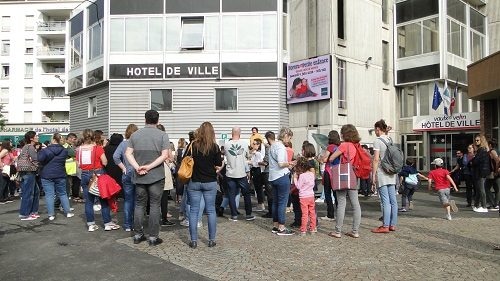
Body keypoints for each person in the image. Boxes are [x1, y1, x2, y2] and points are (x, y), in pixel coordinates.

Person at [126, 110, 171, 246]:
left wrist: (138, 166)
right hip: (156, 176)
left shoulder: (135, 135)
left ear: (145, 119)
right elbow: (164, 156)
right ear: (158, 120)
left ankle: (138, 235)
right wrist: (150, 167)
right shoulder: (162, 135)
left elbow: (128, 153)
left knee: (139, 204)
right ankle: (153, 237)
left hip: (139, 176)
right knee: (154, 205)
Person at [184, 122, 223, 249]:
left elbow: (184, 160)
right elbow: (218, 164)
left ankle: (193, 240)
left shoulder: (192, 145)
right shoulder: (215, 147)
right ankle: (211, 240)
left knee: (194, 211)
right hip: (210, 181)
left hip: (194, 181)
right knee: (211, 211)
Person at [76, 129, 118, 232]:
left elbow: (78, 164)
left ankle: (91, 224)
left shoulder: (79, 149)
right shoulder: (98, 148)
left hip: (85, 174)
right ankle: (107, 223)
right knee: (104, 200)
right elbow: (104, 162)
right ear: (93, 137)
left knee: (89, 201)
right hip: (98, 174)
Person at [327, 124, 362, 238]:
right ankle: (355, 231)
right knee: (355, 204)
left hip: (342, 175)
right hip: (353, 175)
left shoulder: (343, 145)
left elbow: (331, 158)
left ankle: (338, 231)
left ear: (344, 134)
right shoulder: (355, 146)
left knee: (341, 202)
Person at [266, 128, 295, 236]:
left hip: (272, 177)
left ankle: (275, 225)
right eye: (290, 137)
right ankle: (282, 228)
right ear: (286, 135)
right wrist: (291, 163)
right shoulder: (281, 147)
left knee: (275, 202)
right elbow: (281, 163)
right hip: (281, 176)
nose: (289, 140)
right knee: (282, 203)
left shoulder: (272, 146)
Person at [38, 133, 74, 221]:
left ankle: (51, 214)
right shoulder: (64, 150)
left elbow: (40, 160)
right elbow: (71, 154)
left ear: (53, 140)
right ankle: (68, 212)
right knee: (63, 193)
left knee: (49, 195)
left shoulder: (45, 150)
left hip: (47, 174)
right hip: (60, 174)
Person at [371, 120, 398, 234]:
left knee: (385, 200)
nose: (375, 132)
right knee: (393, 200)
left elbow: (376, 159)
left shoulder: (377, 141)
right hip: (391, 172)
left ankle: (385, 225)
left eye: (375, 130)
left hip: (382, 172)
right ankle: (393, 224)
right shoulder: (389, 139)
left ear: (378, 129)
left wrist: (373, 174)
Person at [225, 127, 255, 221]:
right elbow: (247, 156)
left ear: (231, 133)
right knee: (246, 194)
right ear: (240, 134)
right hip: (241, 173)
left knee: (231, 194)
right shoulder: (244, 144)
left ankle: (234, 215)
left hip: (230, 173)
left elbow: (226, 156)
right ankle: (248, 214)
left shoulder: (227, 144)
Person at [113, 123, 139, 232]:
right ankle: (137, 224)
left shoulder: (123, 144)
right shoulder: (139, 143)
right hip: (138, 173)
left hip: (127, 173)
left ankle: (128, 225)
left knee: (128, 200)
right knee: (138, 201)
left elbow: (115, 157)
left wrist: (123, 167)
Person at [18, 131, 41, 221]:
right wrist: (37, 165)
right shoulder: (30, 147)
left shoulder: (26, 146)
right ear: (31, 138)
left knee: (35, 191)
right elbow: (36, 158)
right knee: (29, 193)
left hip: (26, 171)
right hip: (29, 171)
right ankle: (24, 214)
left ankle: (33, 212)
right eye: (36, 136)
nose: (37, 137)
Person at [319, 130, 341, 221]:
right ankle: (340, 214)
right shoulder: (339, 147)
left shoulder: (330, 147)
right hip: (337, 172)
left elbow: (324, 159)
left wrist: (319, 158)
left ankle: (330, 214)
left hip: (329, 171)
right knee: (337, 195)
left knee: (328, 193)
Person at [156, 124, 175, 227]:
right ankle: (164, 218)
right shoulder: (165, 142)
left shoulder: (151, 141)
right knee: (164, 196)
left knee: (153, 195)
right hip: (164, 169)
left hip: (152, 168)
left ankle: (152, 216)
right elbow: (171, 158)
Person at [293, 157, 317, 235]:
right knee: (312, 212)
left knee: (304, 214)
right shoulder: (311, 174)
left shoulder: (302, 176)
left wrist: (295, 179)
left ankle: (303, 229)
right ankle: (313, 228)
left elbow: (299, 186)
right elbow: (312, 184)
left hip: (303, 197)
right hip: (311, 195)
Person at [471, 134, 490, 213]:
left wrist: (473, 159)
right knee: (479, 189)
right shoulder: (483, 150)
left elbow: (476, 161)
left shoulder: (481, 150)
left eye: (478, 140)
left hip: (481, 172)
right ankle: (476, 205)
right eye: (475, 140)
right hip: (482, 172)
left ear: (481, 141)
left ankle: (484, 206)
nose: (476, 142)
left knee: (481, 190)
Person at [250, 138, 266, 212]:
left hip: (257, 170)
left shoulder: (258, 153)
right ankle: (260, 203)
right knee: (257, 188)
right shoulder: (255, 152)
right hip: (255, 170)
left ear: (258, 145)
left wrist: (249, 162)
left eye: (254, 144)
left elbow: (258, 162)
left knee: (258, 187)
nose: (253, 145)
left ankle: (261, 204)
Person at [485, 139, 499, 210]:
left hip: (493, 172)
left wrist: (495, 171)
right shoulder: (497, 150)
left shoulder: (492, 151)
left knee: (486, 188)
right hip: (496, 172)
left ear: (490, 145)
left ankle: (494, 203)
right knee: (497, 189)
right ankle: (496, 204)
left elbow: (497, 161)